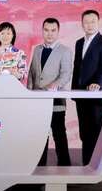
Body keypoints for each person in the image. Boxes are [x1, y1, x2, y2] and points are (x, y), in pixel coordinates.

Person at [27, 18, 73, 166]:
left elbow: (66, 74)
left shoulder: (65, 51)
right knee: (40, 135)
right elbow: (32, 74)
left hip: (56, 100)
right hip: (37, 101)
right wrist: (28, 94)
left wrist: (54, 85)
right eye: (46, 30)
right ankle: (39, 166)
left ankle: (65, 165)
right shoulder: (37, 49)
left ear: (58, 32)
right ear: (42, 31)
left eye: (53, 30)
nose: (50, 33)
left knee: (59, 133)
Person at [72, 10, 102, 166]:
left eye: (92, 21)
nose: (89, 25)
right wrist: (74, 90)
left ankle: (96, 166)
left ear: (98, 22)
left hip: (96, 95)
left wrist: (98, 83)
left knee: (96, 132)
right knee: (84, 133)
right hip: (80, 95)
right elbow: (77, 68)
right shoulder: (79, 43)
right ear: (82, 24)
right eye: (86, 22)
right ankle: (86, 166)